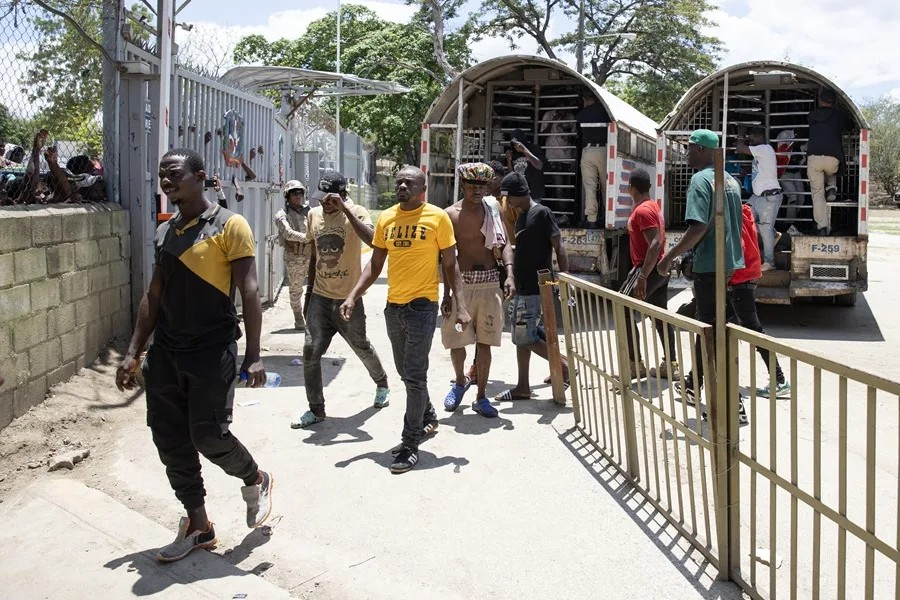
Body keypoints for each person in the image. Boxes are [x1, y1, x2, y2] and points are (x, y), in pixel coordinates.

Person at [115, 148, 273, 563]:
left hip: (211, 351)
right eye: (162, 174)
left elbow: (250, 291)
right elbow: (154, 295)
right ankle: (199, 525)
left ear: (200, 176)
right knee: (169, 439)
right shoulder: (165, 230)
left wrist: (253, 354)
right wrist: (133, 352)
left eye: (174, 173)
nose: (166, 180)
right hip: (167, 353)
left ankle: (255, 477)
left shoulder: (230, 225)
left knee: (208, 435)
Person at [340, 167, 469, 474]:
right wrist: (353, 295)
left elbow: (451, 265)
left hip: (422, 307)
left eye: (408, 182)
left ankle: (410, 444)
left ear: (422, 187)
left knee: (414, 376)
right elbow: (375, 264)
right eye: (398, 181)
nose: (401, 186)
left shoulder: (437, 218)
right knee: (405, 372)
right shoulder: (387, 218)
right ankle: (428, 416)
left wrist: (460, 304)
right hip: (393, 308)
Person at [291, 170, 390, 429]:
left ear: (342, 195)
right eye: (321, 198)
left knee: (361, 346)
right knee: (310, 351)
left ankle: (382, 383)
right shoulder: (313, 215)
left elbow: (374, 240)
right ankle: (316, 409)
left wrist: (345, 209)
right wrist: (309, 293)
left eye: (329, 198)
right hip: (320, 297)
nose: (324, 202)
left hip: (349, 299)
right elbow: (314, 256)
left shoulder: (357, 212)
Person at [657, 129, 744, 404]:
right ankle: (694, 384)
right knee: (712, 325)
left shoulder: (700, 180)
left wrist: (668, 257)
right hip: (728, 262)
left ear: (703, 150)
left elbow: (698, 227)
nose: (687, 153)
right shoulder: (730, 180)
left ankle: (731, 400)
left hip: (710, 264)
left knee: (711, 330)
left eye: (691, 148)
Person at [441, 163, 515, 419]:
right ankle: (460, 382)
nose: (477, 191)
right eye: (472, 186)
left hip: (490, 282)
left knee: (486, 342)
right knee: (457, 341)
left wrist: (510, 274)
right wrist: (447, 295)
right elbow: (447, 259)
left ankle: (481, 396)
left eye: (482, 186)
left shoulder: (493, 209)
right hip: (461, 284)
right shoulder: (450, 215)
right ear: (463, 185)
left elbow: (505, 243)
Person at [494, 172, 570, 402]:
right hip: (522, 286)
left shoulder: (541, 213)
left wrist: (564, 279)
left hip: (537, 287)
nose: (507, 201)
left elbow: (559, 246)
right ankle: (523, 386)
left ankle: (564, 368)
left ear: (519, 193)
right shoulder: (521, 217)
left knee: (525, 337)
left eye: (509, 197)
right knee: (523, 335)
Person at [728, 200, 790, 419]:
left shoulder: (731, 215)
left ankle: (780, 379)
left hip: (740, 279)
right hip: (750, 275)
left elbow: (738, 248)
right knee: (722, 324)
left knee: (754, 331)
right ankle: (693, 379)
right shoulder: (745, 211)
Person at [622, 168, 679, 380]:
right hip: (658, 268)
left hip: (648, 268)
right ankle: (670, 365)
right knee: (660, 315)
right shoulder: (652, 206)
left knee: (623, 308)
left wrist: (642, 276)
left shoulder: (643, 211)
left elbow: (654, 244)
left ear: (631, 188)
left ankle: (635, 365)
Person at [736, 128, 782, 271]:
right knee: (743, 218)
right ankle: (773, 235)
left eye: (751, 140)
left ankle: (769, 262)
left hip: (768, 197)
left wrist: (741, 135)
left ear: (760, 138)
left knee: (764, 229)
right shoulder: (760, 152)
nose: (750, 143)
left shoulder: (765, 149)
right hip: (757, 196)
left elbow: (740, 148)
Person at [807, 87, 850, 235]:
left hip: (814, 159)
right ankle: (831, 187)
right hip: (833, 158)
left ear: (820, 101)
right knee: (831, 170)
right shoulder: (839, 116)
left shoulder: (812, 115)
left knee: (817, 194)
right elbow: (849, 126)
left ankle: (822, 227)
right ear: (834, 102)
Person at [275, 179, 312, 330]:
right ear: (287, 196)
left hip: (311, 254)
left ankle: (312, 315)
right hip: (294, 256)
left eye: (300, 193)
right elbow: (288, 233)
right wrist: (308, 237)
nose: (298, 196)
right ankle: (298, 316)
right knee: (296, 289)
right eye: (294, 193)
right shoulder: (282, 214)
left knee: (317, 287)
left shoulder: (309, 211)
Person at [575, 91, 608, 229]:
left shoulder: (581, 114)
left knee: (590, 187)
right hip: (604, 150)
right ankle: (608, 217)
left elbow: (578, 133)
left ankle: (591, 219)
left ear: (585, 99)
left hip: (588, 151)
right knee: (606, 186)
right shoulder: (605, 112)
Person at [505, 129, 545, 202]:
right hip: (519, 192)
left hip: (533, 192)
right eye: (514, 144)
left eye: (517, 144)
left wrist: (524, 150)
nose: (516, 146)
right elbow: (512, 175)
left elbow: (539, 166)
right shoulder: (513, 152)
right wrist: (509, 160)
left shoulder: (534, 149)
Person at [776, 130, 806, 221]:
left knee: (801, 198)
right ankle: (789, 223)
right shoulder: (785, 134)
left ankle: (794, 220)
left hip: (796, 172)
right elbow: (781, 154)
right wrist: (794, 142)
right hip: (785, 172)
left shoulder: (803, 142)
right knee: (793, 196)